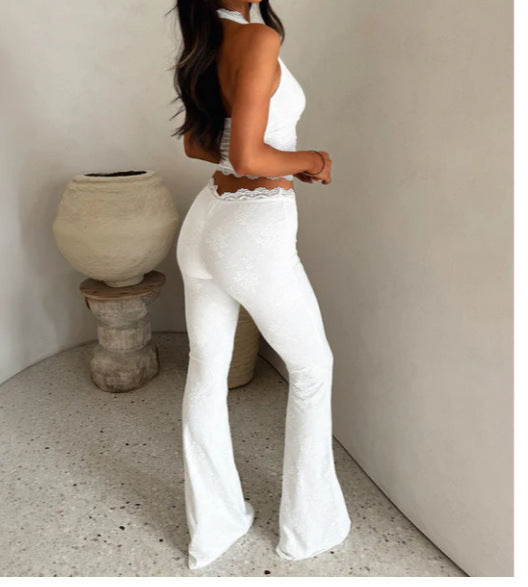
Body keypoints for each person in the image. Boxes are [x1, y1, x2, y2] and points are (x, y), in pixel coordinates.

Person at [171, 0, 351, 570]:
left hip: (205, 223)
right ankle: (309, 528)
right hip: (252, 230)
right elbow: (250, 156)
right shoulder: (259, 38)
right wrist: (311, 159)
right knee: (313, 368)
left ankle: (214, 528)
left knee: (207, 370)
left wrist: (274, 157)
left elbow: (198, 145)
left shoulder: (207, 37)